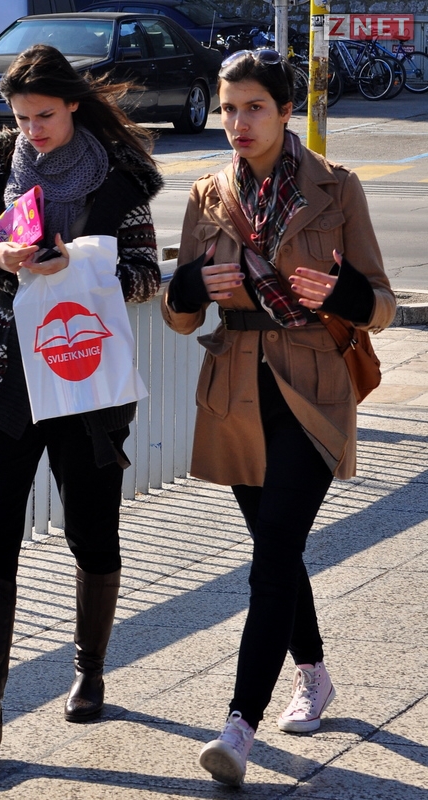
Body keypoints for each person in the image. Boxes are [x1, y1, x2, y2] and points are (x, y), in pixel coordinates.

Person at [162, 49, 395, 787]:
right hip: (236, 392)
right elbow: (179, 315)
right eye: (229, 108)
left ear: (286, 111)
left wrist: (345, 295)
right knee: (276, 549)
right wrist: (189, 285)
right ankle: (315, 673)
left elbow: (383, 304)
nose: (238, 122)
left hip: (313, 390)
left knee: (269, 560)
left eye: (254, 107)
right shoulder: (207, 195)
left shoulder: (337, 187)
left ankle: (238, 727)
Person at [0, 44, 163, 756]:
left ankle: (89, 673)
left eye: (45, 117)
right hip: (4, 374)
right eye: (21, 118)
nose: (32, 130)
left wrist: (81, 266)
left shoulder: (119, 178)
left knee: (91, 530)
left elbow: (146, 275)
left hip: (84, 377)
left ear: (73, 107)